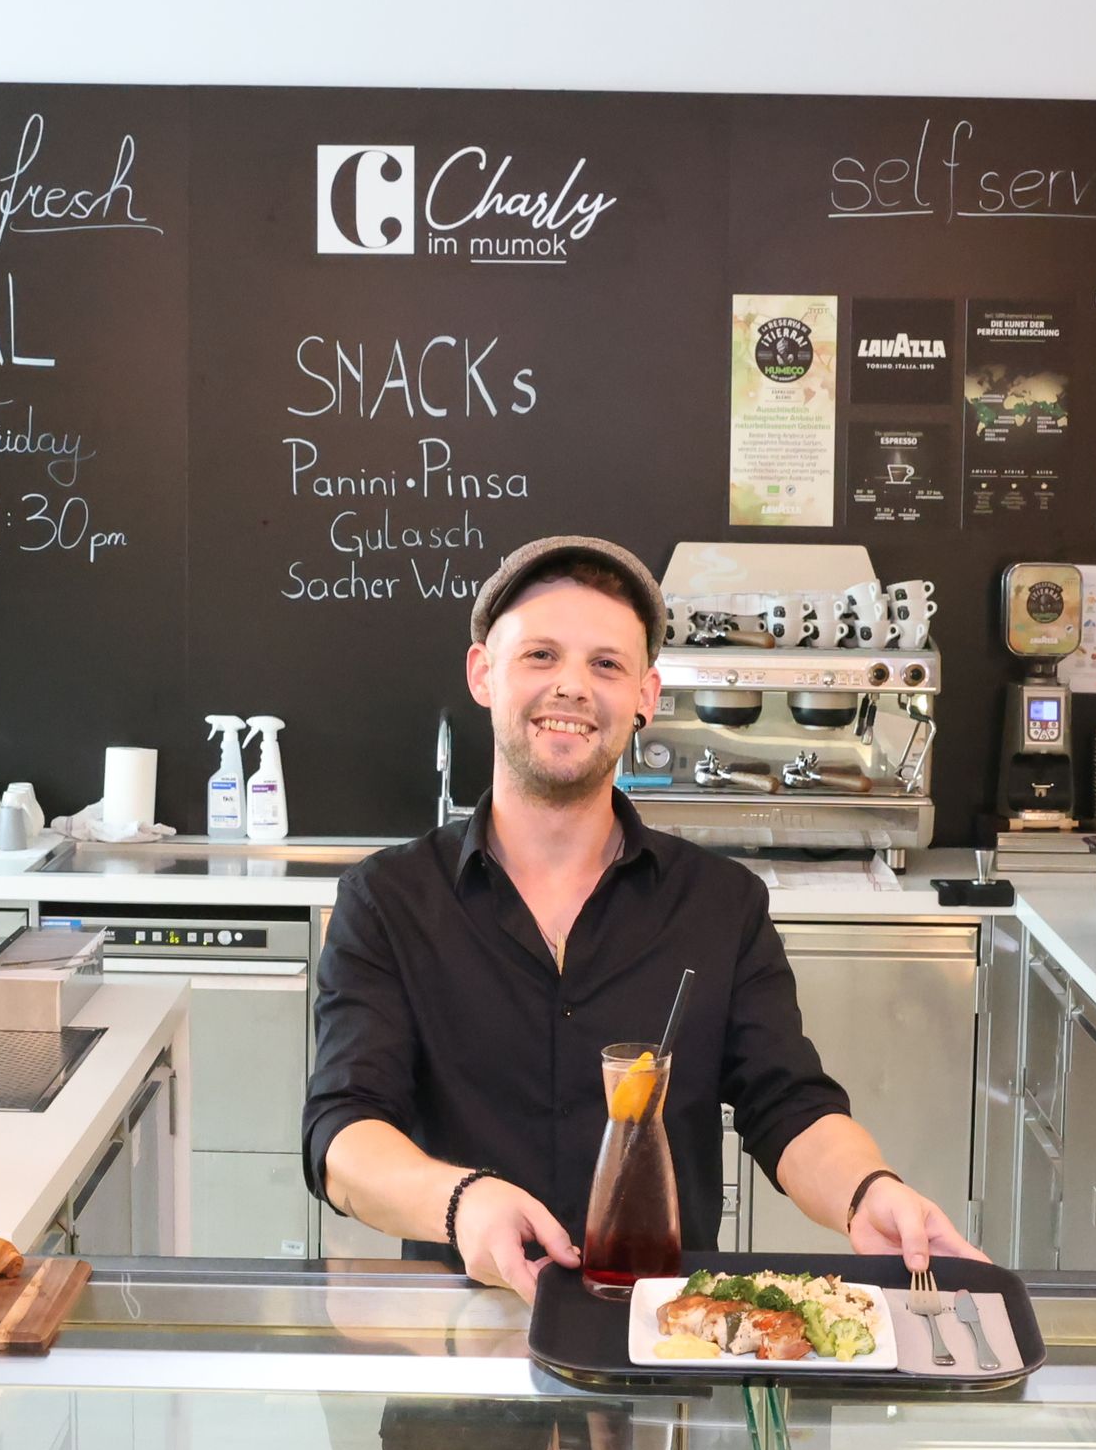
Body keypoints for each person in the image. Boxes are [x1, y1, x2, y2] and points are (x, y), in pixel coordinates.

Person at [305, 534, 980, 1300]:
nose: (572, 686)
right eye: (540, 655)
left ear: (646, 698)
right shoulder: (389, 901)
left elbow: (788, 1104)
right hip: (461, 1341)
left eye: (606, 664)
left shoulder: (720, 904)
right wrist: (462, 1203)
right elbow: (343, 1136)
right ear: (482, 673)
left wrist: (868, 1191)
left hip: (664, 1340)